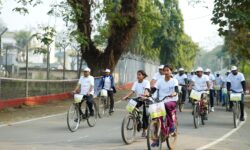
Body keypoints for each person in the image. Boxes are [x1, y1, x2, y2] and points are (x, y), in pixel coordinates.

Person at [123, 70, 150, 137]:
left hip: (146, 99)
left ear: (143, 76)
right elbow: (132, 91)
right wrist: (126, 96)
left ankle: (145, 130)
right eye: (137, 74)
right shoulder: (136, 83)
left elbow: (147, 90)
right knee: (130, 106)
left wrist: (145, 95)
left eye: (139, 74)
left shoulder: (146, 82)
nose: (138, 76)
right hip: (139, 98)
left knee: (145, 114)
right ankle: (136, 119)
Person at [154, 64, 178, 135]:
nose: (166, 72)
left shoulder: (174, 81)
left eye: (168, 70)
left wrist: (174, 93)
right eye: (164, 70)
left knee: (166, 105)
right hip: (161, 101)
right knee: (155, 115)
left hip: (172, 100)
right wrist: (148, 93)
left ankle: (171, 126)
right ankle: (158, 136)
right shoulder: (160, 81)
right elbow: (154, 88)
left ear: (171, 71)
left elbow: (176, 89)